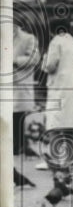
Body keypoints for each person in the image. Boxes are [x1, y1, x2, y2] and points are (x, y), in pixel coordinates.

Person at [42, 24, 73, 131]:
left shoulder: (56, 42)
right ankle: (70, 148)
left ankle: (53, 148)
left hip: (59, 87)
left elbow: (50, 66)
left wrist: (44, 58)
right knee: (70, 125)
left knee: (54, 124)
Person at [12, 16, 41, 156]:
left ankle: (19, 145)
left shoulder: (29, 39)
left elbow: (35, 58)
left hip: (19, 82)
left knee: (17, 115)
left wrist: (15, 61)